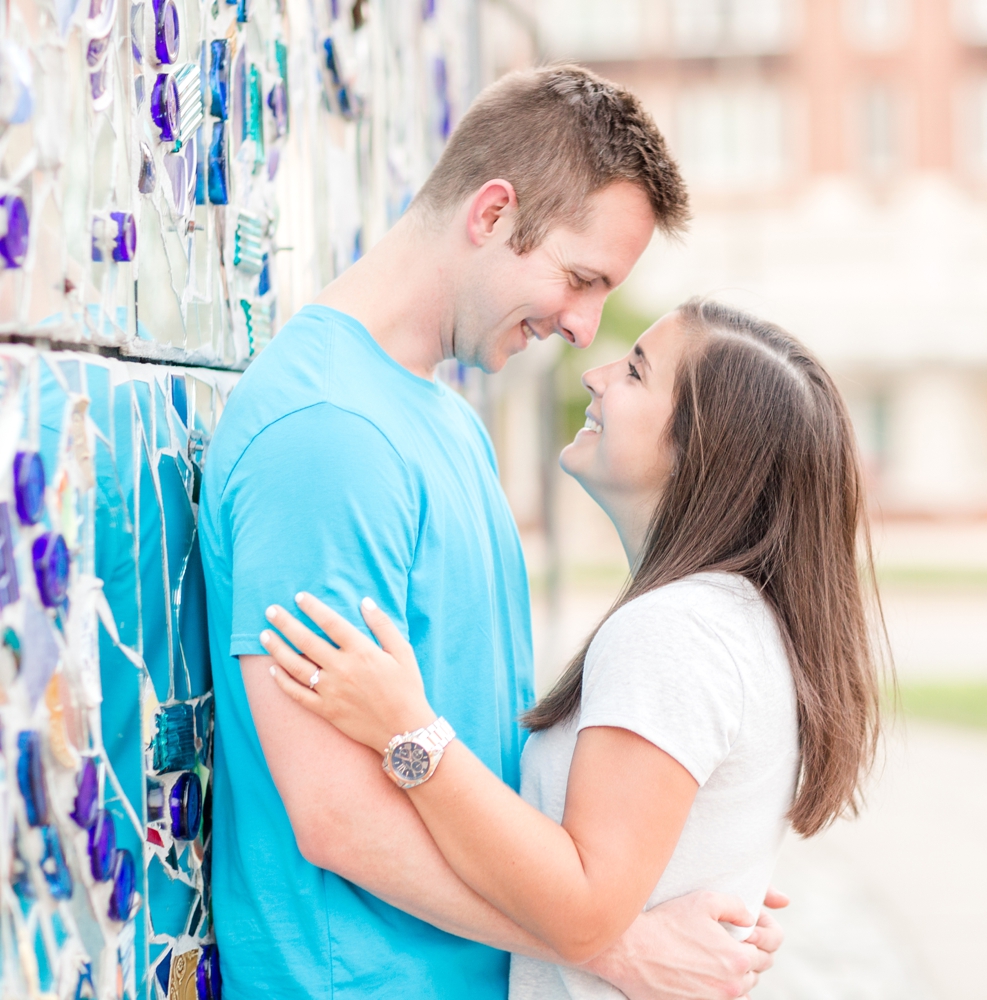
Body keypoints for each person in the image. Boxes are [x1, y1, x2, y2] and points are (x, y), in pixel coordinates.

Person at [198, 67, 784, 999]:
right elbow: (337, 820)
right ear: (492, 212)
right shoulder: (326, 438)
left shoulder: (447, 423)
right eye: (579, 278)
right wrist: (607, 942)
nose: (584, 326)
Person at [257, 299, 889, 999]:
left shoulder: (677, 632)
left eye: (637, 373)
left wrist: (408, 734)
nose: (595, 374)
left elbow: (584, 910)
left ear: (702, 450)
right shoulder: (732, 619)